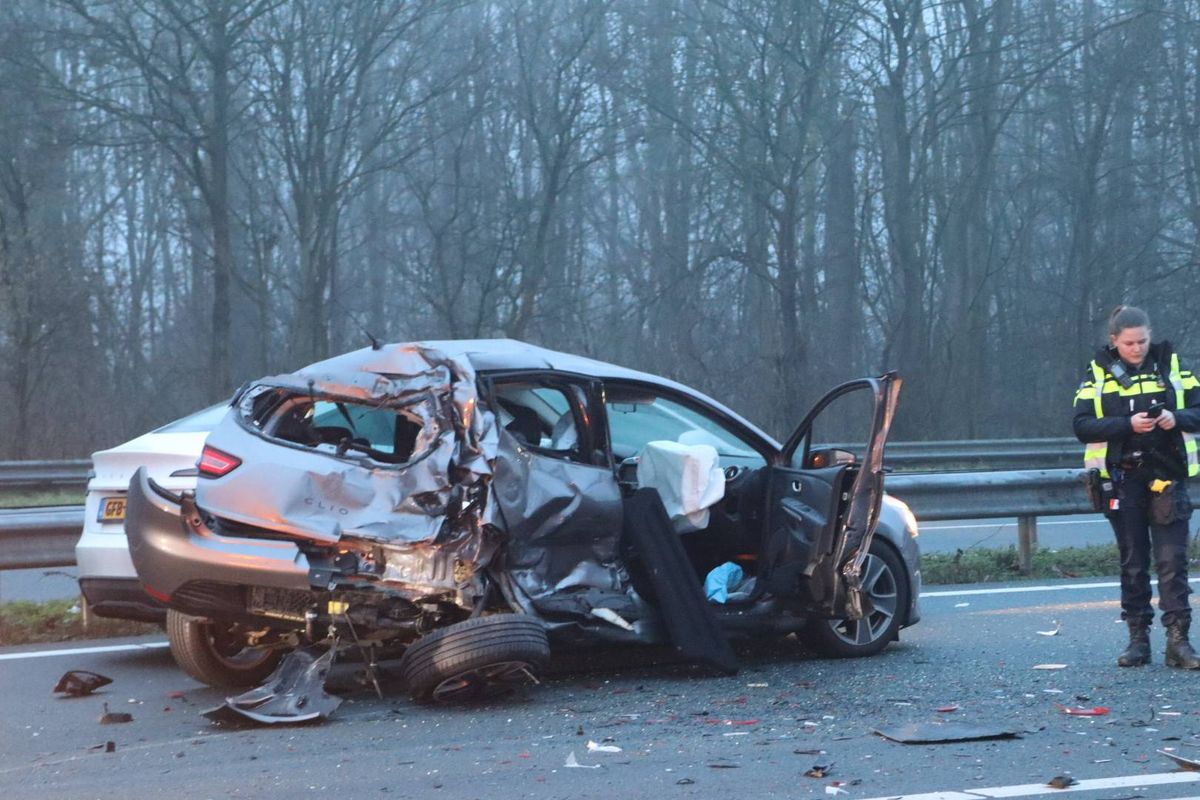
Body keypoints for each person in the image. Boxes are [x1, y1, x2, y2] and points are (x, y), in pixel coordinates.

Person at [1073, 305, 1200, 669]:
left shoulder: (1171, 366)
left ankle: (1179, 642)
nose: (1138, 348)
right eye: (1129, 343)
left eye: (1143, 341)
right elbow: (1081, 425)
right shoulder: (1098, 373)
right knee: (1133, 563)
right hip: (1123, 480)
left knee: (1173, 562)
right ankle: (1137, 641)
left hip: (1167, 476)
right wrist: (1127, 424)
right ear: (1114, 341)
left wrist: (1177, 418)